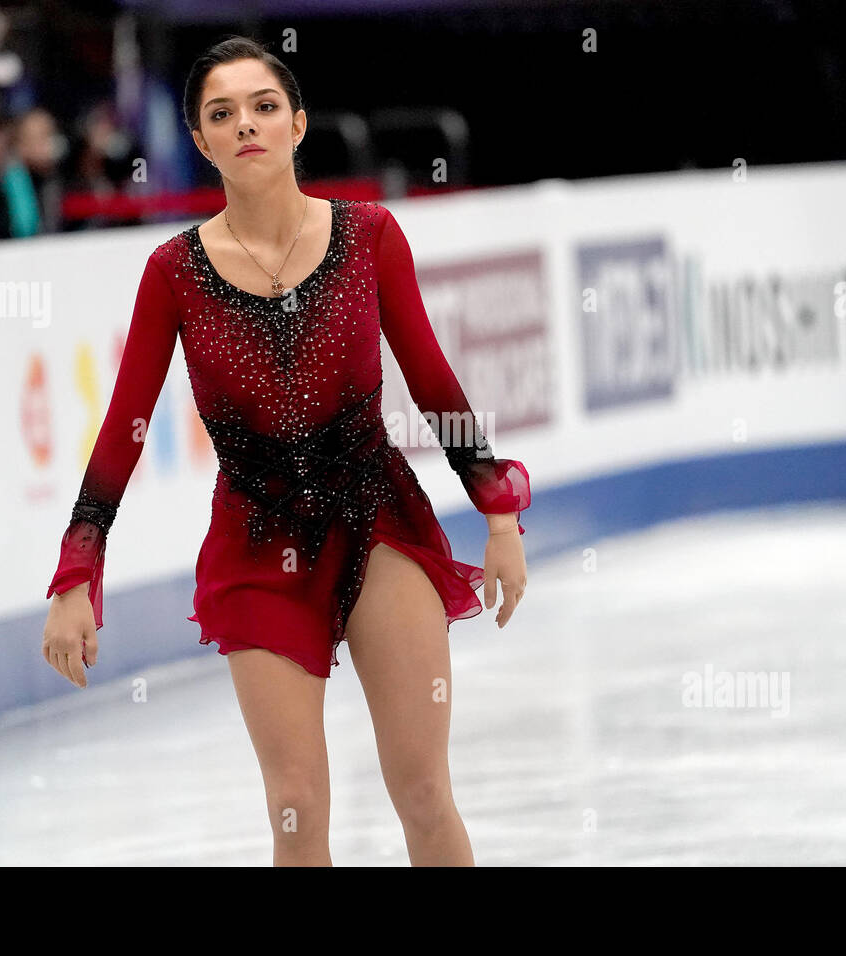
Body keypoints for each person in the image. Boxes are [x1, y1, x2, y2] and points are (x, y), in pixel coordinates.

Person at [41, 36, 531, 866]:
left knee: (422, 790)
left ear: (298, 124)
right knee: (296, 806)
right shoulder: (173, 271)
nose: (246, 125)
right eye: (222, 114)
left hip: (377, 519)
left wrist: (500, 514)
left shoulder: (370, 234)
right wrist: (75, 572)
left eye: (264, 107)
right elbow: (125, 424)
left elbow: (432, 380)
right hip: (257, 539)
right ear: (199, 141)